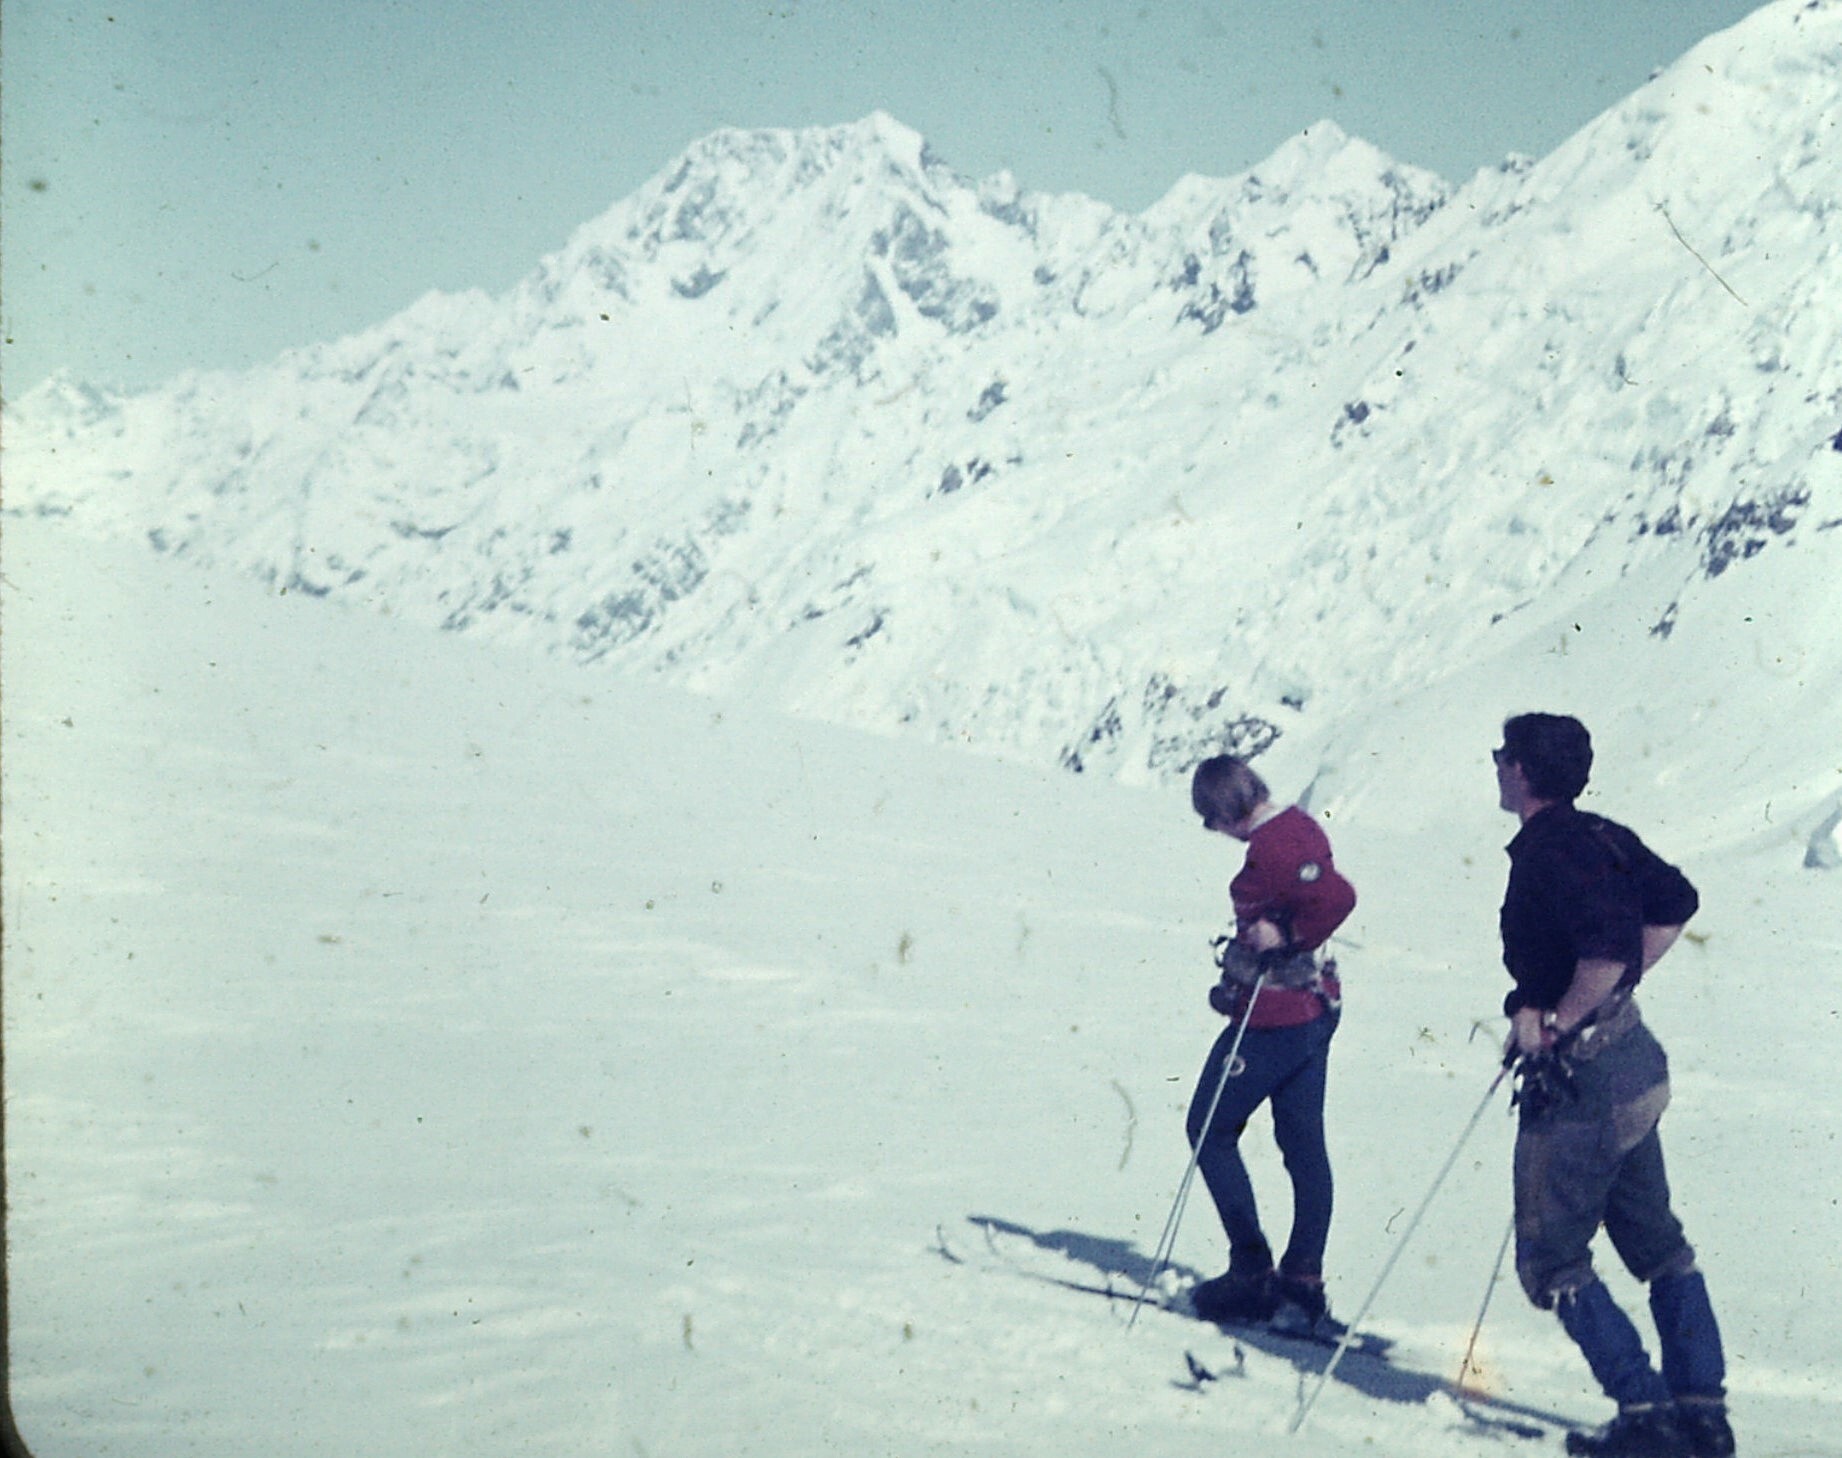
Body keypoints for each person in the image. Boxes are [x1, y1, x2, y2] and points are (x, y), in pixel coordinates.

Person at [1492, 713, 1733, 1458]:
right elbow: (1673, 904)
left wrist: (1558, 1020)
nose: (1497, 766)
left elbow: (1601, 952)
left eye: (1504, 756)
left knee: (1553, 1256)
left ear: (1524, 773)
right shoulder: (1602, 834)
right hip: (1633, 1063)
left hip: (1582, 1084)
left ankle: (1646, 1416)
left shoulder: (1548, 854)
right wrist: (1613, 990)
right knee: (1658, 1244)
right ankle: (1701, 1411)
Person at [1184, 754, 1356, 1337]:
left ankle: (1251, 1270)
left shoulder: (1277, 844)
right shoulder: (1298, 827)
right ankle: (1301, 1282)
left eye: (1211, 819)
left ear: (1228, 808)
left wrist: (1284, 935)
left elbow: (1336, 899)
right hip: (1310, 1009)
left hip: (1274, 1016)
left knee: (1208, 1126)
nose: (1213, 832)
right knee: (1303, 1144)